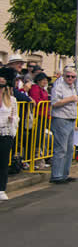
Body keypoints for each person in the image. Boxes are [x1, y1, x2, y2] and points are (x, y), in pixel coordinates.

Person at [49, 65, 78, 184]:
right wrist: (70, 99)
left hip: (71, 118)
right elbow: (55, 103)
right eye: (68, 76)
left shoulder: (73, 87)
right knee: (61, 148)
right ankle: (56, 175)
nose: (70, 78)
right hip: (61, 118)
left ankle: (64, 174)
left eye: (73, 77)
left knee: (70, 149)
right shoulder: (58, 87)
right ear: (63, 76)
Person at [0, 67, 20, 201]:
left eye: (2, 86)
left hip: (5, 133)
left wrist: (13, 120)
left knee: (3, 162)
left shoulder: (11, 100)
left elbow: (16, 117)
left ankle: (1, 188)